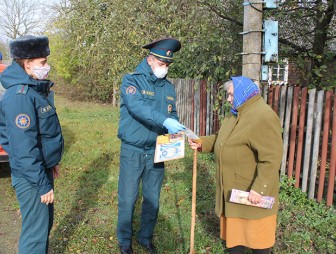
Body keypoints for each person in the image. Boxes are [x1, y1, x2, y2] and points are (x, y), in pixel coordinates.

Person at [188, 76, 283, 254]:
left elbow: (271, 158)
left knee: (259, 244)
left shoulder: (263, 116)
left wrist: (259, 189)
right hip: (234, 193)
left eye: (231, 95)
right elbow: (221, 139)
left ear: (244, 93)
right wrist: (201, 143)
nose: (229, 99)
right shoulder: (236, 113)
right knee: (235, 243)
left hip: (252, 193)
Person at [117, 38, 185, 254]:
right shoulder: (131, 81)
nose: (165, 68)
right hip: (133, 149)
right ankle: (124, 241)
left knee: (152, 198)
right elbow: (138, 107)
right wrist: (164, 120)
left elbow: (171, 113)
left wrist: (175, 127)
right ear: (150, 60)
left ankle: (145, 237)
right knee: (128, 197)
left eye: (167, 65)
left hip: (157, 150)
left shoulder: (168, 87)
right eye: (161, 64)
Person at [0, 35, 64, 254]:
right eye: (43, 62)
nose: (47, 67)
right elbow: (23, 150)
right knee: (35, 236)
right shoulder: (20, 96)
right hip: (31, 177)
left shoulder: (34, 90)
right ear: (27, 64)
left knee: (43, 226)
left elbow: (41, 136)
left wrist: (51, 162)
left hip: (40, 170)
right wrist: (42, 184)